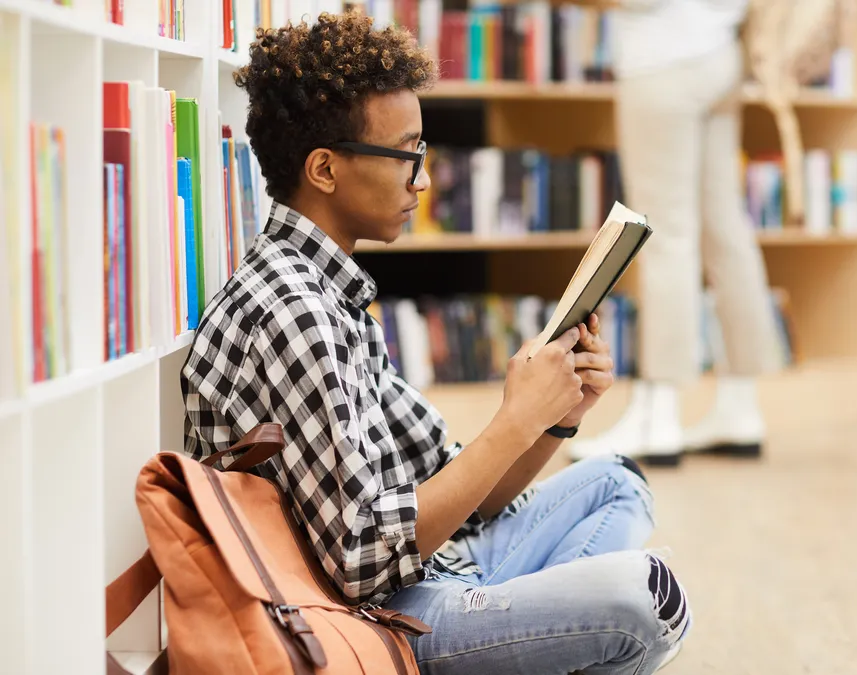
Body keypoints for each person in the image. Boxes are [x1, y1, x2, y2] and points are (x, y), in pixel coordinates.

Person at [181, 13, 689, 674]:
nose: (421, 181)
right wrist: (513, 420)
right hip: (386, 618)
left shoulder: (331, 292)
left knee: (618, 482)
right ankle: (523, 633)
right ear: (326, 169)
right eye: (407, 155)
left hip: (440, 565)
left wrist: (551, 419)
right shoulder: (294, 310)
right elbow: (364, 563)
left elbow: (462, 496)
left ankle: (521, 634)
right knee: (645, 598)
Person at [568, 0, 783, 466]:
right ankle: (740, 406)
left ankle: (658, 413)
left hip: (662, 59)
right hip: (721, 55)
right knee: (724, 229)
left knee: (666, 237)